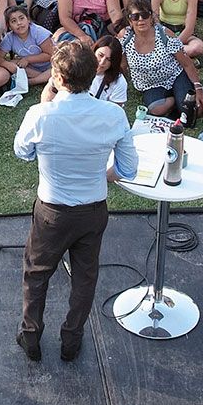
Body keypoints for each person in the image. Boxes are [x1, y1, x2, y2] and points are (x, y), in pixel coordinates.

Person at [14, 40, 137, 363]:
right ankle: (72, 339)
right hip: (93, 210)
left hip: (51, 212)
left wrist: (44, 105)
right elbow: (128, 168)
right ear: (93, 72)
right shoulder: (112, 115)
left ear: (58, 77)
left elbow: (22, 152)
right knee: (85, 277)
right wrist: (98, 172)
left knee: (37, 273)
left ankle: (31, 335)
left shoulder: (40, 115)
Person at [120, 0, 203, 119]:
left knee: (191, 112)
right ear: (130, 21)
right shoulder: (125, 37)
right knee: (156, 109)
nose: (141, 20)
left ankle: (196, 92)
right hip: (150, 85)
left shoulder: (164, 34)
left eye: (145, 15)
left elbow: (187, 63)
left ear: (151, 17)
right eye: (135, 17)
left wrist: (197, 88)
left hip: (175, 75)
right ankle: (181, 97)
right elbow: (122, 66)